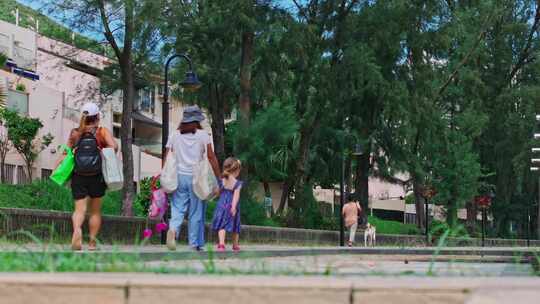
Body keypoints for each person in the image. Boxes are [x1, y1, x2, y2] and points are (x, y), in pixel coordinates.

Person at [56, 102, 117, 251]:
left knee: (79, 209)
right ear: (97, 117)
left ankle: (77, 229)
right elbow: (114, 147)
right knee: (95, 211)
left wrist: (56, 167)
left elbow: (65, 153)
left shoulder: (75, 132)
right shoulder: (102, 132)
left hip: (78, 175)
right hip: (97, 176)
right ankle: (92, 243)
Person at [165, 105, 221, 251]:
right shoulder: (203, 135)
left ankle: (173, 230)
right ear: (197, 120)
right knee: (196, 211)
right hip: (198, 177)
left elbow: (167, 157)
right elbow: (211, 157)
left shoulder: (174, 134)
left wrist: (164, 175)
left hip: (179, 176)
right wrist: (218, 177)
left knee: (177, 207)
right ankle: (194, 244)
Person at [211, 157, 243, 252]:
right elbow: (236, 196)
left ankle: (221, 244)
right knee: (235, 226)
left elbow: (218, 192)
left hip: (221, 205)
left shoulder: (222, 180)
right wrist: (233, 207)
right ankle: (235, 245)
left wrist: (212, 197)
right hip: (231, 205)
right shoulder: (237, 183)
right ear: (237, 170)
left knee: (222, 225)